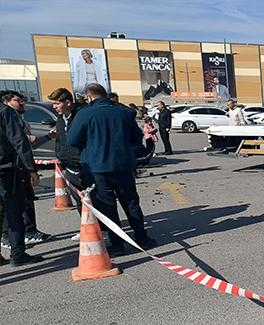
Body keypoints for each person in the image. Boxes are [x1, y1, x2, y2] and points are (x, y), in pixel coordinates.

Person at [67, 83, 157, 256]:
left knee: (107, 206)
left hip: (97, 168)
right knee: (131, 203)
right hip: (123, 166)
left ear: (90, 97)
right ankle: (142, 237)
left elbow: (72, 140)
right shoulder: (124, 113)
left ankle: (117, 244)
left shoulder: (84, 114)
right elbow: (136, 137)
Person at [0, 91, 52, 248]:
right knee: (13, 205)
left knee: (20, 202)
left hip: (12, 165)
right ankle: (14, 243)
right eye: (18, 101)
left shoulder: (19, 118)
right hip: (10, 167)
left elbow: (26, 143)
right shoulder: (7, 113)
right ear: (6, 101)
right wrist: (31, 168)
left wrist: (47, 137)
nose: (22, 103)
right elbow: (19, 142)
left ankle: (26, 232)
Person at [48, 87, 93, 240]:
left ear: (68, 102)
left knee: (94, 200)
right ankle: (86, 228)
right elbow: (60, 140)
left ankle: (103, 231)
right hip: (70, 166)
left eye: (56, 103)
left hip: (85, 166)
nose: (54, 107)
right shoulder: (60, 119)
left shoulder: (81, 116)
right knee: (79, 201)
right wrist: (60, 155)